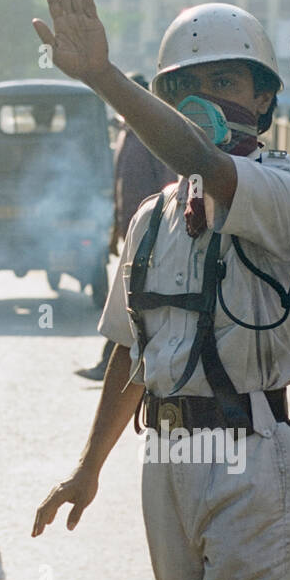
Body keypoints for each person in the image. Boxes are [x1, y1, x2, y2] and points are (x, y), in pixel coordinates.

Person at [31, 0, 290, 580]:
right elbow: (133, 354)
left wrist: (104, 77)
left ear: (264, 99)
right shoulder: (152, 218)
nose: (203, 96)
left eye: (224, 81)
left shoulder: (281, 188)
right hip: (165, 457)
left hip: (251, 455)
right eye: (183, 85)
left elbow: (207, 164)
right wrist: (88, 467)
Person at [76, 72, 174, 381]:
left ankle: (115, 365)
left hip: (154, 233)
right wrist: (114, 232)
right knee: (132, 301)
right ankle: (119, 365)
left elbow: (168, 182)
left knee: (133, 302)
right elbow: (121, 188)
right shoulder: (126, 131)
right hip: (134, 233)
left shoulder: (154, 132)